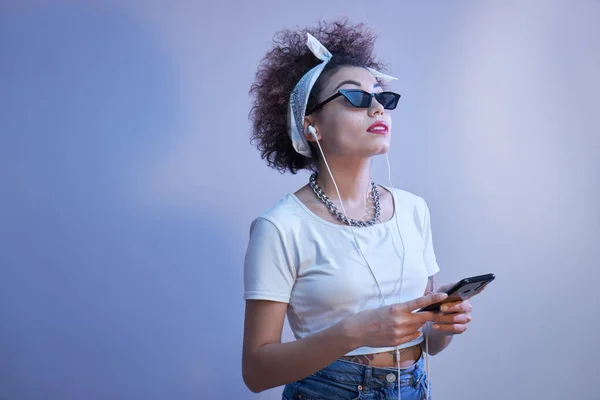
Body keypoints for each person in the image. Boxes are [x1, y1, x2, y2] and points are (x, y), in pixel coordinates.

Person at [242, 19, 474, 400]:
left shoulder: (414, 209)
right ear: (310, 125)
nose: (378, 107)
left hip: (415, 388)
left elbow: (428, 343)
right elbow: (256, 371)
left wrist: (442, 320)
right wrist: (357, 332)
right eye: (356, 98)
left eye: (382, 97)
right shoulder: (280, 227)